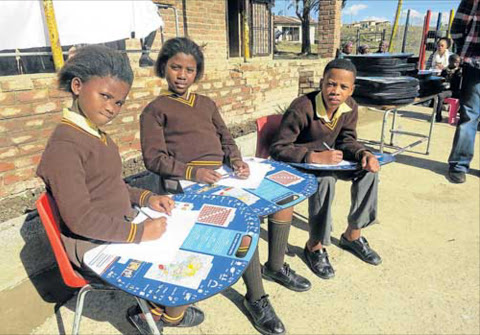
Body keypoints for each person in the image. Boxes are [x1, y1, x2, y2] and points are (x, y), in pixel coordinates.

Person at [140, 37, 307, 335]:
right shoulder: (155, 110)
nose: (181, 75)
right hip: (187, 185)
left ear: (197, 74)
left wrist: (237, 160)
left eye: (189, 70)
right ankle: (256, 298)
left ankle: (276, 266)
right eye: (175, 67)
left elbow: (226, 137)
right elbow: (154, 159)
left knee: (281, 198)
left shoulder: (205, 104)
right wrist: (194, 172)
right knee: (244, 220)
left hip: (223, 176)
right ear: (163, 67)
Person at [36, 45, 204, 334]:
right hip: (93, 245)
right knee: (184, 264)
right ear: (77, 86)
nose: (111, 108)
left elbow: (112, 184)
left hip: (119, 225)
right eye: (105, 96)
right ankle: (163, 316)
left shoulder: (97, 136)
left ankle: (159, 311)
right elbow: (81, 219)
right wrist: (139, 233)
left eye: (119, 102)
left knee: (193, 238)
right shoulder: (65, 146)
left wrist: (147, 197)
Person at [270, 59, 382, 280]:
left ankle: (353, 234)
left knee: (369, 171)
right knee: (326, 179)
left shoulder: (350, 107)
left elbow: (346, 140)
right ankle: (315, 245)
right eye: (331, 84)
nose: (336, 91)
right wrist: (311, 156)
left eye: (343, 87)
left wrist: (362, 154)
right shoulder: (302, 107)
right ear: (322, 83)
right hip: (300, 164)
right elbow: (278, 148)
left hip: (330, 160)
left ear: (351, 89)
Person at [447, 0, 480, 184]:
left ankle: (459, 164)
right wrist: (465, 50)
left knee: (470, 115)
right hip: (476, 63)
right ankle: (459, 164)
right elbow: (459, 24)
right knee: (470, 115)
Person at [435, 54, 463, 122]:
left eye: (458, 62)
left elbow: (459, 84)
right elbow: (442, 80)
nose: (456, 64)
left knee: (440, 95)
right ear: (449, 61)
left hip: (454, 91)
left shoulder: (459, 71)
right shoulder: (445, 70)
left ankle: (438, 115)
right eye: (455, 62)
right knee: (438, 94)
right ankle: (438, 115)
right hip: (446, 89)